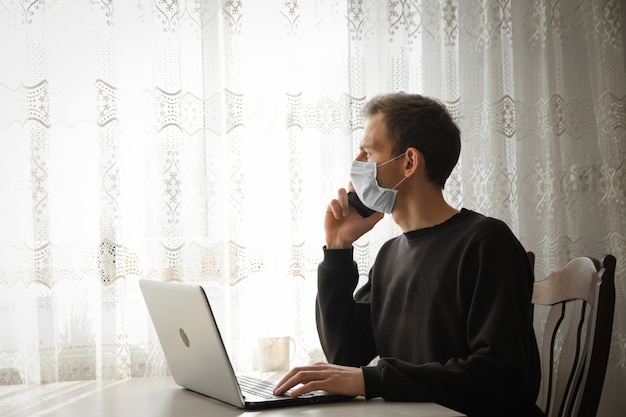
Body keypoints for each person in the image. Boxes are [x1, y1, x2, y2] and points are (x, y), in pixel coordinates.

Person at [273, 93, 544, 417]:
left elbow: (501, 377)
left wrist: (372, 380)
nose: (356, 161)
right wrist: (337, 248)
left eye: (369, 151)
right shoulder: (390, 255)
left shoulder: (486, 242)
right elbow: (345, 356)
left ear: (409, 162)